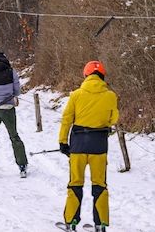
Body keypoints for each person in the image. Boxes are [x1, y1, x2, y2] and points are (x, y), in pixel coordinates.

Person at [58, 61, 118, 232]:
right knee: (100, 185)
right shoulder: (110, 96)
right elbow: (113, 119)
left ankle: (71, 222)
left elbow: (67, 119)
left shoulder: (76, 95)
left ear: (86, 75)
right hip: (99, 146)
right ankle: (100, 225)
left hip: (78, 145)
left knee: (75, 183)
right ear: (102, 76)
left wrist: (63, 141)